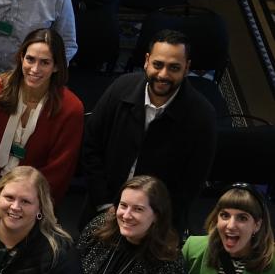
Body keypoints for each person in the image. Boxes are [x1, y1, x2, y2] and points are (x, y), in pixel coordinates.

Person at [80, 32, 217, 232]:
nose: (163, 74)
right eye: (158, 64)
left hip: (158, 225)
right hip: (102, 209)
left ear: (187, 68)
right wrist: (104, 204)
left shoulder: (202, 116)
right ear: (146, 61)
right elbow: (91, 146)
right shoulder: (120, 88)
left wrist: (152, 219)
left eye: (174, 68)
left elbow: (190, 184)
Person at [0, 28, 85, 206]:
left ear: (57, 66)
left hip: (31, 205)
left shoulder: (71, 108)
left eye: (45, 62)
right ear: (21, 58)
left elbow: (59, 170)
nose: (35, 69)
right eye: (30, 59)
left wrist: (21, 204)